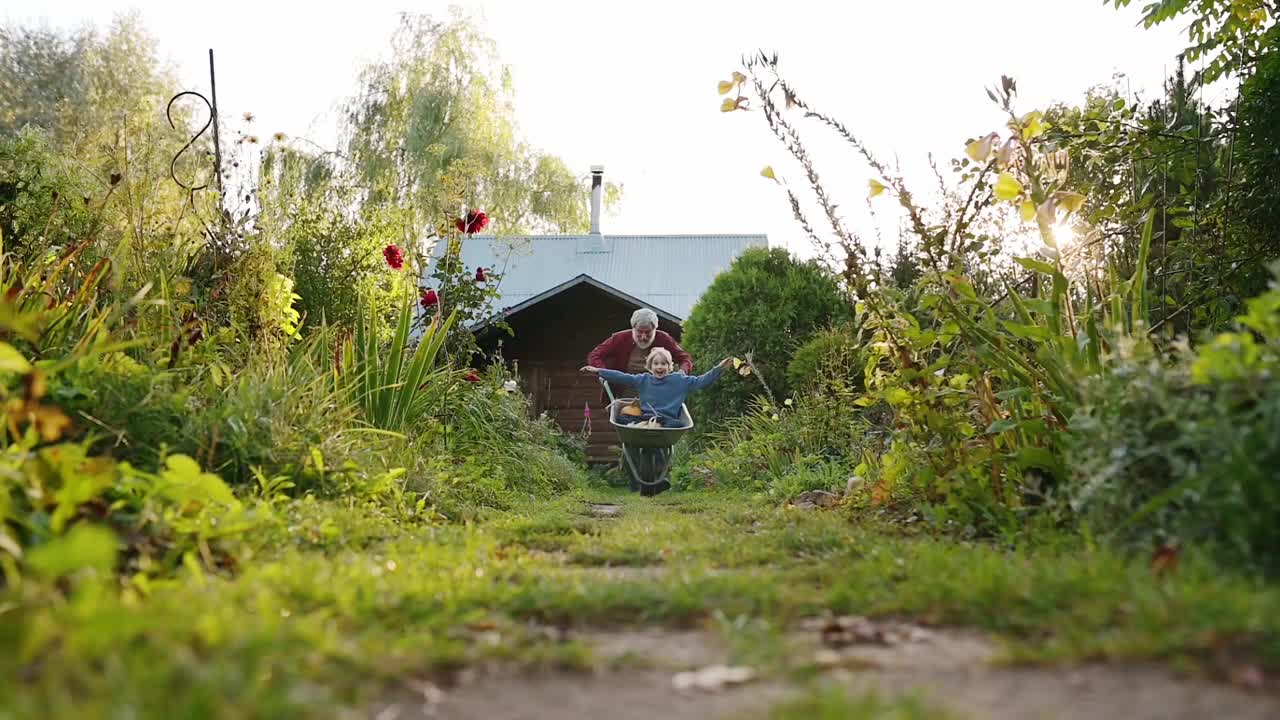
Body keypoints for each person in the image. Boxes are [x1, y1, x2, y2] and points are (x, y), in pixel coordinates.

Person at [581, 348, 732, 429]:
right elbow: (622, 377)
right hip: (645, 417)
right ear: (650, 367)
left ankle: (648, 431)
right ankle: (639, 428)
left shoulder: (679, 380)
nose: (660, 367)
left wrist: (718, 368)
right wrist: (598, 371)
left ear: (669, 366)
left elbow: (701, 381)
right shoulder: (643, 380)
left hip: (667, 420)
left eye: (663, 364)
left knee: (678, 425)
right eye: (656, 364)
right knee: (621, 419)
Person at [587, 308, 693, 376]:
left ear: (655, 329)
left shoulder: (664, 339)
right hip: (624, 386)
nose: (643, 337)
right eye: (639, 332)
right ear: (633, 329)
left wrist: (682, 371)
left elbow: (685, 358)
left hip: (656, 386)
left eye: (648, 333)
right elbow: (595, 355)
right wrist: (605, 373)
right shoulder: (619, 338)